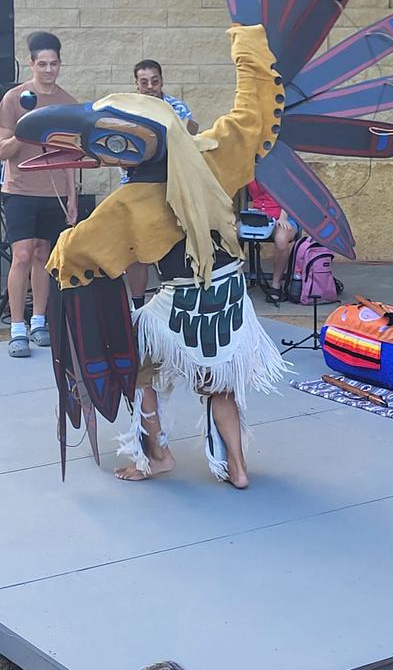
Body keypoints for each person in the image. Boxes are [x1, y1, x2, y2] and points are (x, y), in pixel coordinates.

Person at [18, 24, 287, 487]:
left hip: (183, 305)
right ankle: (238, 467)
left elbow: (74, 254)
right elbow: (253, 113)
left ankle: (158, 454)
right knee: (218, 379)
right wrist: (248, 43)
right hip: (230, 296)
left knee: (137, 361)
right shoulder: (210, 156)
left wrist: (65, 243)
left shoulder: (132, 202)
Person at [0, 32, 77, 358]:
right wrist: (25, 128)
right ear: (31, 63)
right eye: (42, 64)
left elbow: (72, 156)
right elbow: (3, 150)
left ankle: (39, 321)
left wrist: (72, 197)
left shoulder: (69, 103)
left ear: (60, 64)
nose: (48, 70)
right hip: (19, 189)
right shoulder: (14, 99)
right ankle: (17, 327)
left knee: (43, 256)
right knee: (21, 255)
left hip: (55, 192)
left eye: (54, 64)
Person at [127, 60, 199, 309]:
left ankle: (173, 305)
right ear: (136, 84)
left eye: (154, 81)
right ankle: (137, 308)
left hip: (173, 185)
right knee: (136, 249)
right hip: (137, 186)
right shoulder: (126, 110)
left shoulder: (178, 108)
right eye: (144, 82)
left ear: (162, 80)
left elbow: (190, 141)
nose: (150, 86)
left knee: (174, 246)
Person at [246, 180, 298, 304]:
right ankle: (234, 280)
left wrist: (283, 217)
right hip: (258, 216)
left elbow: (291, 195)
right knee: (231, 232)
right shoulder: (249, 168)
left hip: (282, 217)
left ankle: (276, 285)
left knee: (281, 239)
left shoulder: (283, 169)